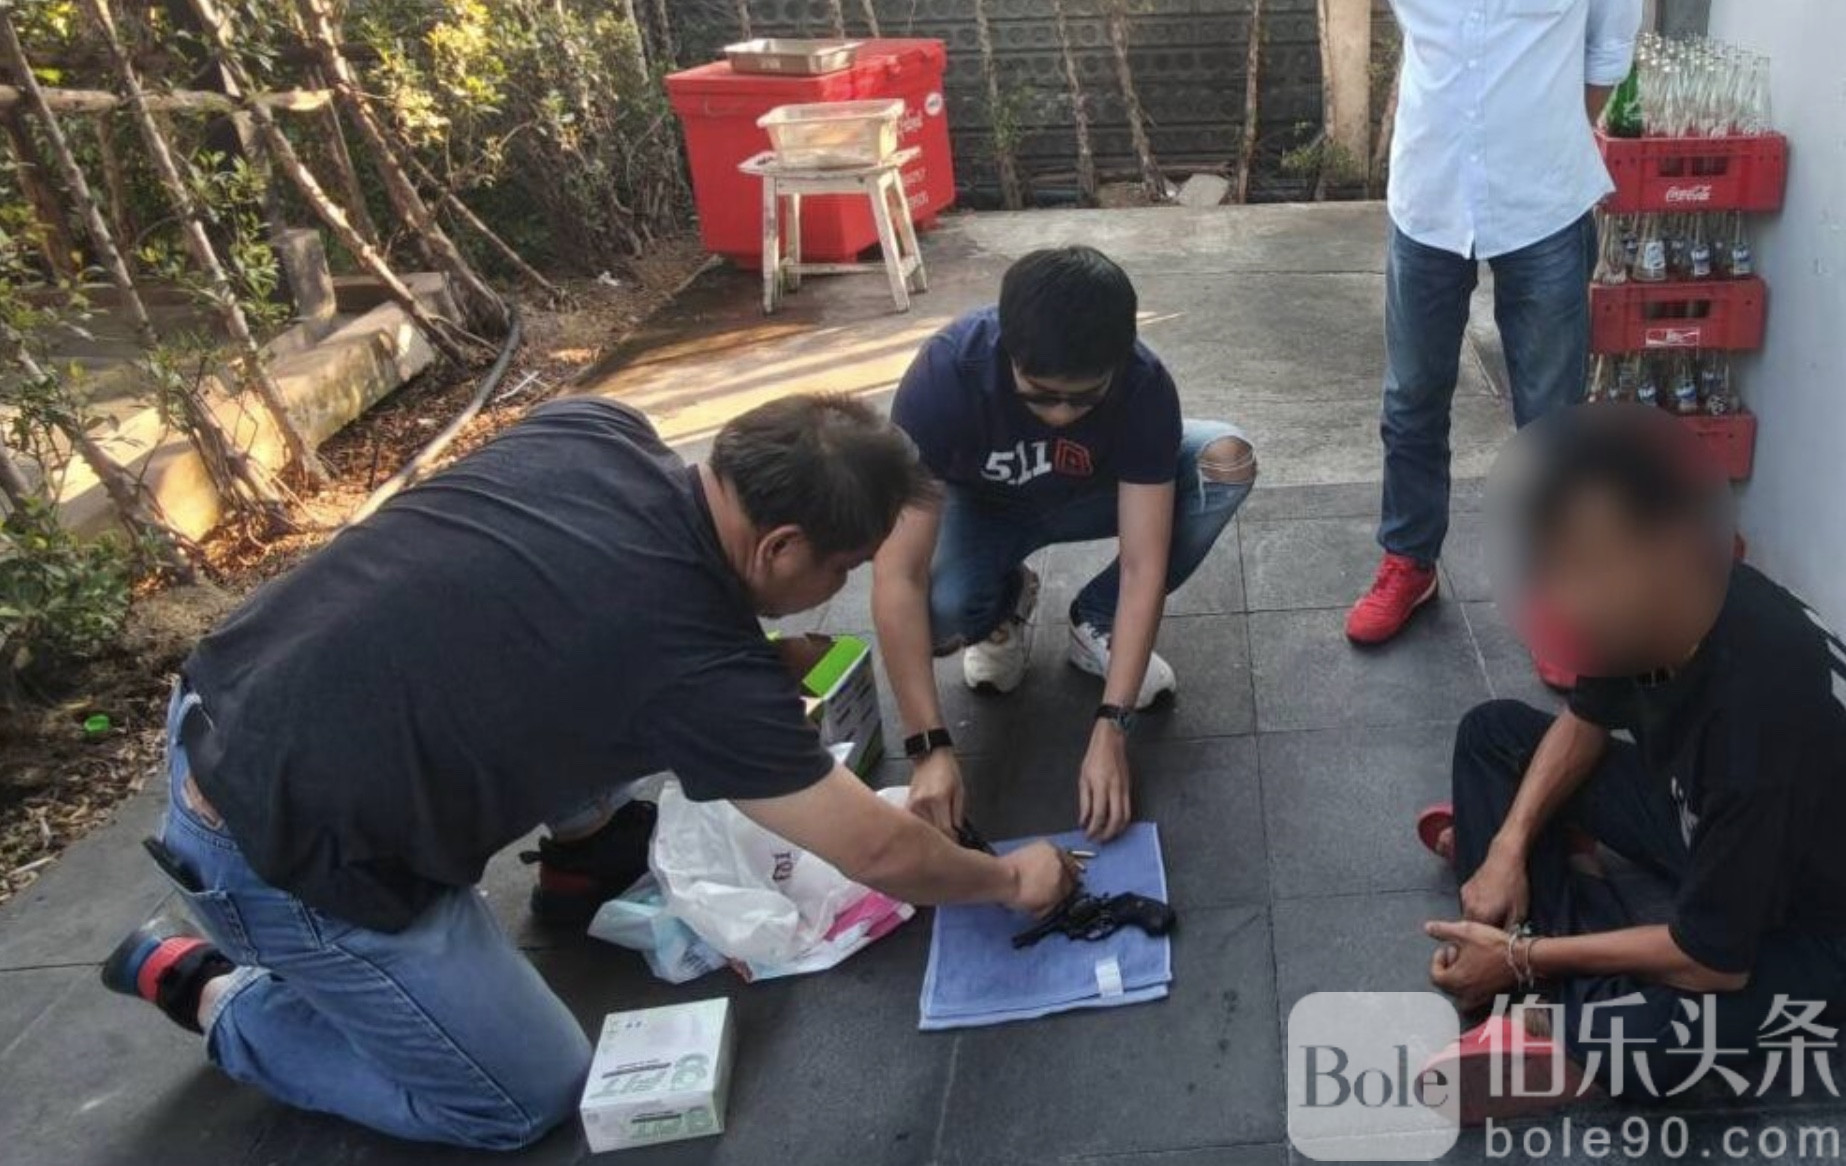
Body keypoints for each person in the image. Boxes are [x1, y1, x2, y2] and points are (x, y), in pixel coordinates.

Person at [99, 394, 1081, 1150]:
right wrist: (1007, 878)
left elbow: (559, 596)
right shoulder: (697, 671)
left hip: (230, 689)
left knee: (578, 670)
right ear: (780, 544)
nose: (845, 587)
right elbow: (876, 850)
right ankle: (218, 995)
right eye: (843, 567)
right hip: (283, 852)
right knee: (522, 1095)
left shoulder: (597, 431)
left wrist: (740, 670)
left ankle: (583, 853)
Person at [1417, 407, 1846, 1122]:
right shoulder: (1653, 606)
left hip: (1811, 912)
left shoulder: (1756, 714)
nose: (1569, 595)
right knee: (1491, 734)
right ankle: (1567, 936)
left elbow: (1714, 962)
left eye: (1592, 564)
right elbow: (1584, 721)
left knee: (1678, 1026)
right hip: (1705, 821)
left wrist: (1521, 956)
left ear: (1671, 544)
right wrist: (1506, 847)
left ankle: (1562, 1010)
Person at [873, 246, 1257, 843]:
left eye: (1083, 398)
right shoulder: (945, 376)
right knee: (937, 611)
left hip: (1093, 494)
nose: (1060, 414)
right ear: (1008, 353)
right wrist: (928, 747)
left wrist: (1112, 725)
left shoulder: (1144, 383)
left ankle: (1095, 621)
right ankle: (1001, 605)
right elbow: (897, 573)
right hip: (985, 506)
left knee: (1225, 460)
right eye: (1040, 395)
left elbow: (1143, 565)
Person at [1347, 0, 1644, 659]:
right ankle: (1410, 559)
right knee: (1412, 396)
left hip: (1544, 203)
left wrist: (1542, 137)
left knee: (1552, 416)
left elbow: (1607, 55)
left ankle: (1558, 583)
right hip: (1429, 195)